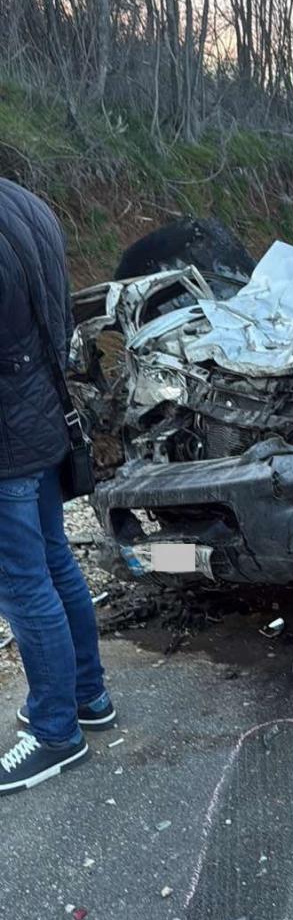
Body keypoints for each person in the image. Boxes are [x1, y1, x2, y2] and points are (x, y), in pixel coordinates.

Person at [0, 178, 114, 795]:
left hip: (7, 439)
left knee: (23, 584)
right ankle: (87, 695)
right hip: (43, 417)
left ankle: (54, 733)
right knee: (53, 559)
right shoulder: (27, 203)